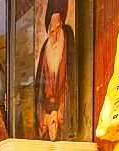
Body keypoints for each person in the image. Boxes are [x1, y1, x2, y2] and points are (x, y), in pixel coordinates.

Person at [34, 0, 77, 140]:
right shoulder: (45, 49)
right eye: (52, 30)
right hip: (47, 114)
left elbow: (71, 82)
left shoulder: (68, 39)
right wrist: (45, 117)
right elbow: (39, 90)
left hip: (63, 110)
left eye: (59, 28)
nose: (55, 34)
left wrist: (60, 112)